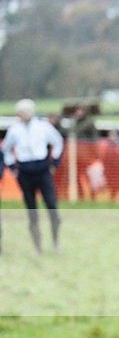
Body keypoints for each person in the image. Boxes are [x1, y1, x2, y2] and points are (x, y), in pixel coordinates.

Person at [1, 99, 64, 253]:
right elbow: (7, 149)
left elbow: (58, 142)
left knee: (52, 206)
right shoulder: (15, 130)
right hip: (25, 172)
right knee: (31, 211)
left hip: (42, 170)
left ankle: (56, 243)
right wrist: (12, 167)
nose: (18, 116)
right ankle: (38, 247)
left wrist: (54, 163)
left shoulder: (43, 127)